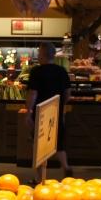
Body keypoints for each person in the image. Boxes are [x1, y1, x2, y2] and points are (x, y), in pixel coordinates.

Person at [26, 42, 72, 182]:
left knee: (39, 145)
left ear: (42, 54)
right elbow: (68, 93)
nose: (38, 55)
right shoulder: (61, 71)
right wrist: (61, 106)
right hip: (56, 112)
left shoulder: (36, 71)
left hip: (40, 113)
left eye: (39, 52)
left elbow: (33, 93)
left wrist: (28, 112)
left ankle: (39, 178)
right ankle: (66, 166)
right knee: (59, 143)